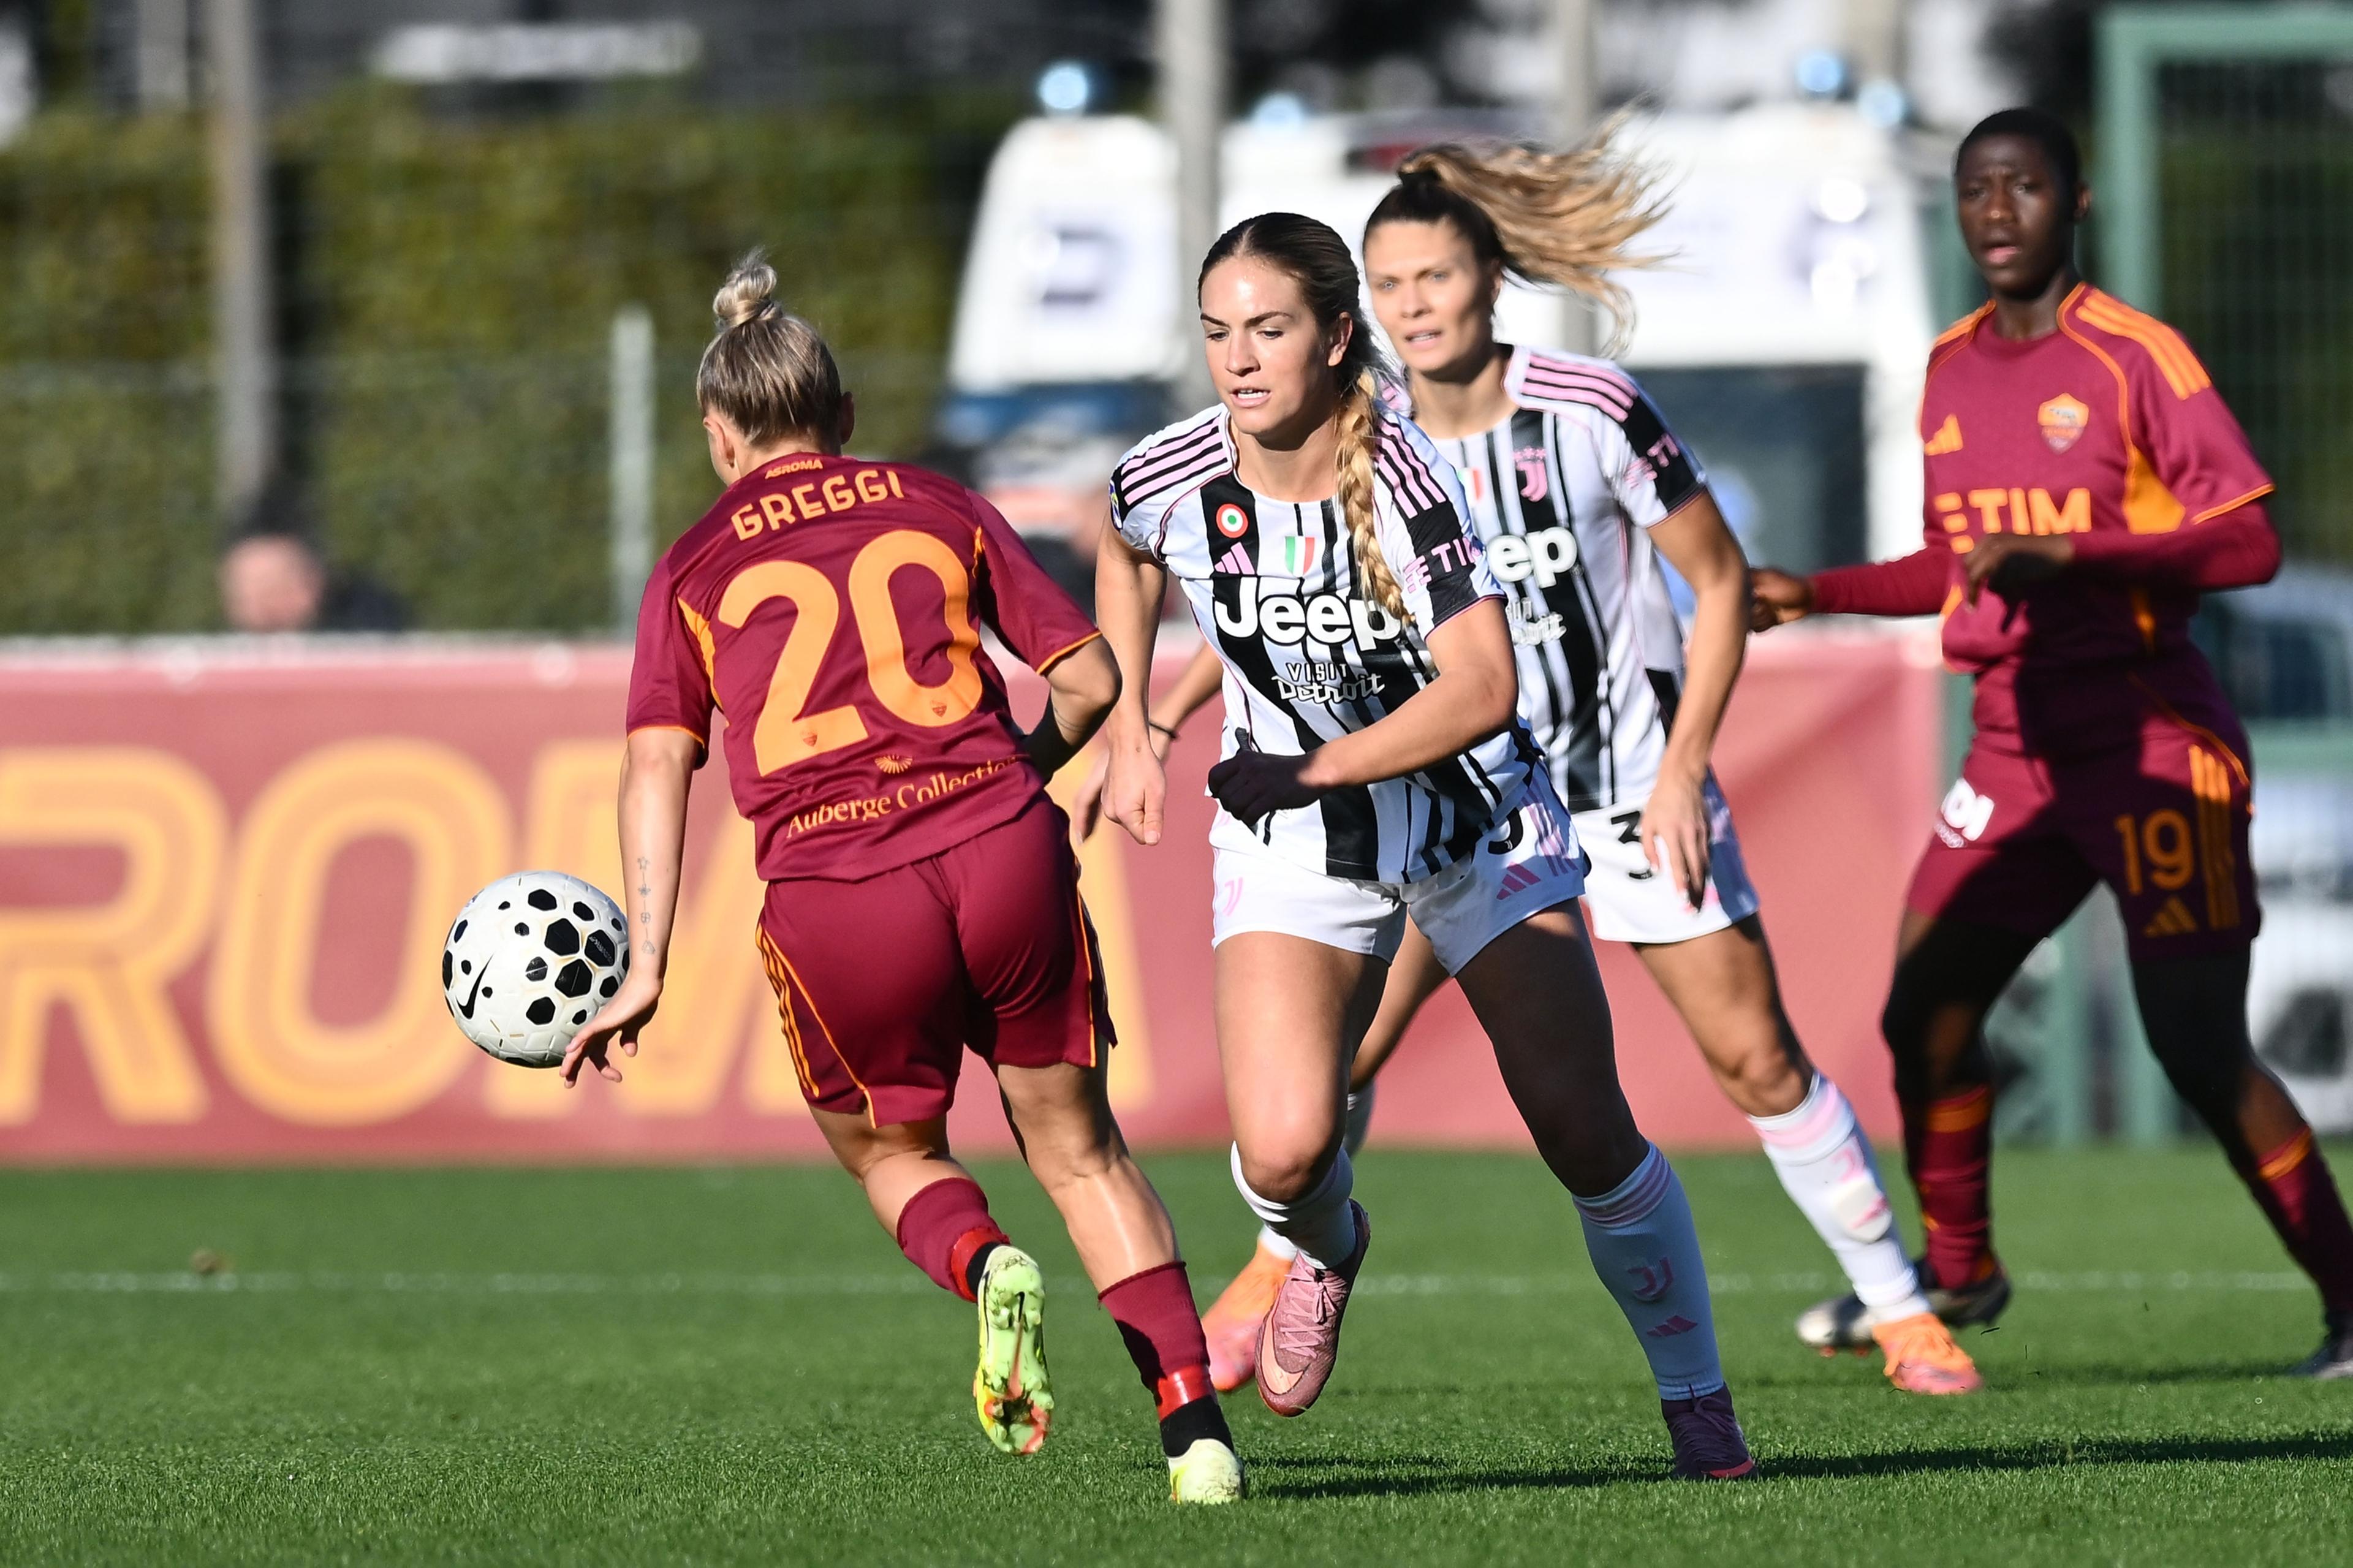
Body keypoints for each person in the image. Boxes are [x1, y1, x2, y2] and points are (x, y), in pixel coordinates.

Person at [1083, 130, 1980, 1398]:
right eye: (1391, 286)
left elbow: (1716, 582)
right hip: (1431, 806)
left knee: (1751, 1060)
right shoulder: (1349, 435)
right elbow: (1271, 607)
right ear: (1362, 312)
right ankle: (1291, 1257)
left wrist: (1681, 773)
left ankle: (1901, 1312)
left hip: (1603, 792)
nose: (1414, 307)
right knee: (1320, 1081)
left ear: (1490, 282)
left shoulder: (1587, 411)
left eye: (1434, 280)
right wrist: (1159, 714)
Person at [559, 254, 1247, 1504]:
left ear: (718, 436)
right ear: (846, 414)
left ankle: (986, 1266)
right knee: (1083, 1149)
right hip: (1000, 847)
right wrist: (1013, 778)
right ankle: (1196, 1432)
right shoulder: (939, 503)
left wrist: (644, 961)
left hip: (840, 891)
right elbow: (1093, 685)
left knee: (892, 1153)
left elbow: (659, 765)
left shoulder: (696, 564)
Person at [1096, 211, 1757, 1478]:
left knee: (1582, 1126)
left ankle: (1698, 1401)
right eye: (1218, 331)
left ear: (1339, 338)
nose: (1239, 358)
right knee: (1286, 1151)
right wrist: (1130, 718)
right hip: (1303, 843)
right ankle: (1328, 1242)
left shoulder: (1405, 475)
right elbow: (1121, 546)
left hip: (1477, 827)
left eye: (1271, 329)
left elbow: (1481, 686)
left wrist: (1316, 759)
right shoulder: (1173, 470)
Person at [1751, 108, 2353, 1379]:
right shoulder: (1950, 367)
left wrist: (2078, 554)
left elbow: (2248, 540)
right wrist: (1819, 590)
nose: (1998, 211)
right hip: (2014, 745)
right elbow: (1953, 564)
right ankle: (1960, 1273)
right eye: (1978, 191)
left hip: (2148, 734)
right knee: (1926, 1013)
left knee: (2195, 1043)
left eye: (2025, 187)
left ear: (2074, 202)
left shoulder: (2137, 356)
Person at [218, 483, 407, 633]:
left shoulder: (366, 632)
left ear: (316, 578)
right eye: (248, 598)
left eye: (276, 589)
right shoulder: (214, 661)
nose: (266, 612)